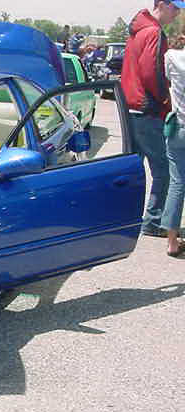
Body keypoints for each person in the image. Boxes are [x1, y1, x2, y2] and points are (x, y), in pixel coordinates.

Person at [121, 1, 184, 238]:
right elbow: (151, 72)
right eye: (175, 7)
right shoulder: (153, 32)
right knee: (164, 169)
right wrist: (165, 99)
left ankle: (125, 217)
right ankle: (154, 221)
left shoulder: (137, 30)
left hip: (131, 108)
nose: (177, 12)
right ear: (162, 4)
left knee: (132, 168)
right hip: (148, 110)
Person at [163, 31, 185, 256]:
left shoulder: (171, 57)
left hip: (178, 126)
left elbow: (165, 77)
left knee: (177, 183)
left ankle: (172, 242)